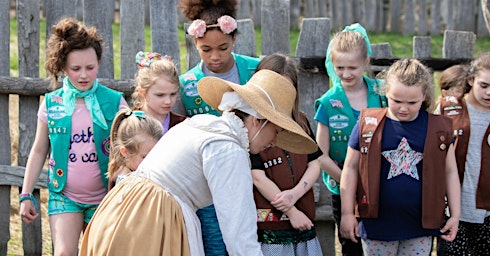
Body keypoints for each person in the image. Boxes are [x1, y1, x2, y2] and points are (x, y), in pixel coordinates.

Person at [79, 69, 319, 256]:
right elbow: (239, 234)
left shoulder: (203, 124)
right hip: (153, 218)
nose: (273, 142)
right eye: (276, 132)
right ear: (257, 121)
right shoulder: (227, 148)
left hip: (124, 207)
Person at [18, 17, 128, 255]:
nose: (83, 75)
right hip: (64, 195)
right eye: (75, 69)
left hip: (105, 196)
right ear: (63, 68)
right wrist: (26, 194)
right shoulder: (52, 104)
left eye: (90, 67)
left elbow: (129, 149)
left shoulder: (114, 101)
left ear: (98, 62)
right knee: (64, 252)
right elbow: (38, 150)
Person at [339, 58, 461, 256]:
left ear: (424, 96)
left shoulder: (438, 129)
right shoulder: (368, 124)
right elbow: (351, 168)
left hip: (420, 225)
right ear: (385, 91)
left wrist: (455, 214)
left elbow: (450, 172)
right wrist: (346, 213)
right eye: (396, 101)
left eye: (412, 102)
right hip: (377, 225)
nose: (403, 108)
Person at [177, 0, 260, 254]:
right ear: (195, 44)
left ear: (234, 38)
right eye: (206, 49)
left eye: (223, 48)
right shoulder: (187, 84)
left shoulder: (255, 70)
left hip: (256, 175)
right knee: (215, 241)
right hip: (208, 182)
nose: (215, 56)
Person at [313, 23, 387, 256]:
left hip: (381, 186)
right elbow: (320, 154)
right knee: (352, 244)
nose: (346, 74)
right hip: (343, 190)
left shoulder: (383, 94)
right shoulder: (328, 102)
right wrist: (348, 182)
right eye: (340, 67)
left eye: (352, 67)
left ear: (366, 61)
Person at [437, 53, 490, 256]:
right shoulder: (448, 109)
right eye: (484, 85)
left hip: (487, 209)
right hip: (450, 207)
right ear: (471, 80)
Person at [250, 53, 323, 255]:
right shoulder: (253, 128)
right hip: (272, 224)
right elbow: (257, 176)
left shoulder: (301, 122)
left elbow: (314, 163)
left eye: (285, 89)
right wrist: (290, 211)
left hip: (304, 217)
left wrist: (295, 194)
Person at [107, 108, 163, 190]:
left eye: (156, 156)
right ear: (125, 152)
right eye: (145, 157)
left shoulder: (141, 176)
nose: (152, 162)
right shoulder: (128, 185)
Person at [132, 51, 186, 133]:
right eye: (160, 95)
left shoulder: (183, 125)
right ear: (143, 93)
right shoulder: (129, 123)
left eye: (173, 94)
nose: (168, 101)